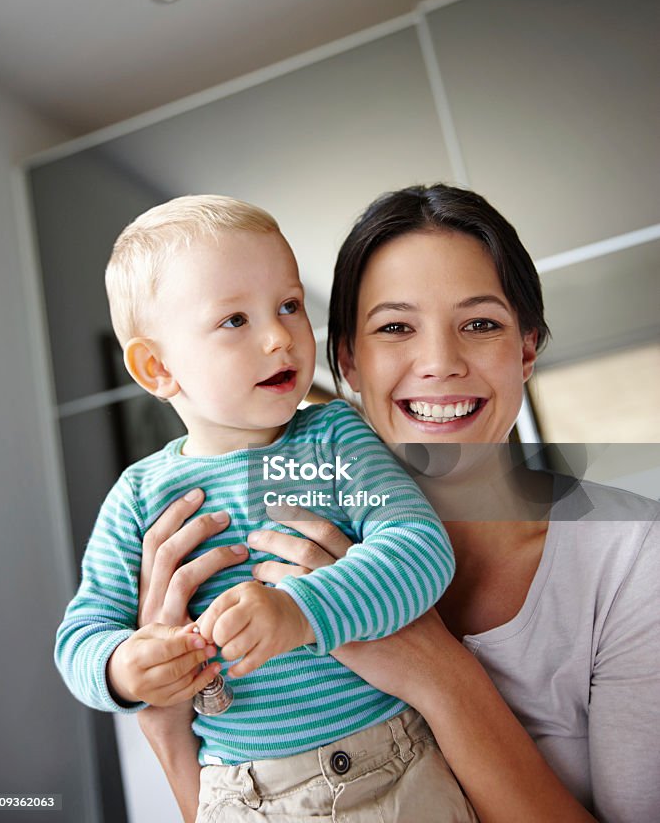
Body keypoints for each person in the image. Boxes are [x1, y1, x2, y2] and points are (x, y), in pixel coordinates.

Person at [137, 184, 660, 823]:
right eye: (395, 327)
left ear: (525, 348)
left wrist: (435, 670)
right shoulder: (259, 534)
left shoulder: (634, 557)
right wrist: (166, 721)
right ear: (348, 362)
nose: (439, 362)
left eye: (479, 324)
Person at [54, 194, 476, 823]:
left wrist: (301, 611)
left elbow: (418, 548)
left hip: (392, 767)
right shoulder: (139, 497)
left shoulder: (334, 435)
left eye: (288, 306)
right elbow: (81, 636)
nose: (280, 336)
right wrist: (121, 670)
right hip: (241, 794)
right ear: (157, 366)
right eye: (234, 321)